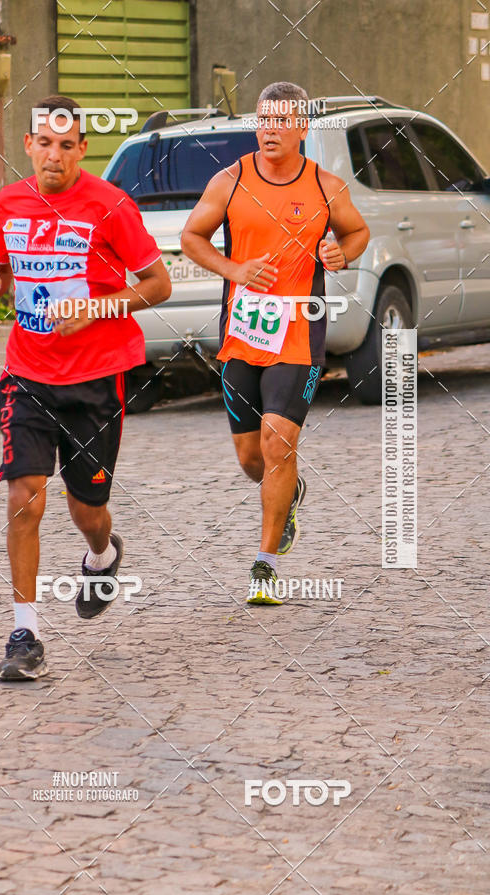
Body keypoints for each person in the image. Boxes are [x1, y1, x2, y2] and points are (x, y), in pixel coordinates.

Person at [0, 95, 171, 679]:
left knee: (89, 509)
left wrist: (99, 309)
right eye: (43, 143)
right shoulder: (8, 202)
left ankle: (102, 558)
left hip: (96, 378)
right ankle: (24, 634)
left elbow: (157, 286)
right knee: (23, 497)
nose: (53, 156)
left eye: (66, 145)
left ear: (83, 148)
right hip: (27, 373)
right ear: (28, 144)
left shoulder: (111, 207)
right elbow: (1, 275)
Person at [181, 82, 369, 604]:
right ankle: (287, 494)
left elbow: (357, 232)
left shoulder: (326, 185)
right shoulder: (230, 180)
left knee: (278, 440)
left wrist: (341, 254)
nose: (270, 129)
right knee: (249, 457)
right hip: (241, 333)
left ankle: (264, 565)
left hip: (299, 331)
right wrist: (234, 268)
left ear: (303, 128)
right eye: (264, 119)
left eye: (283, 121)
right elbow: (192, 237)